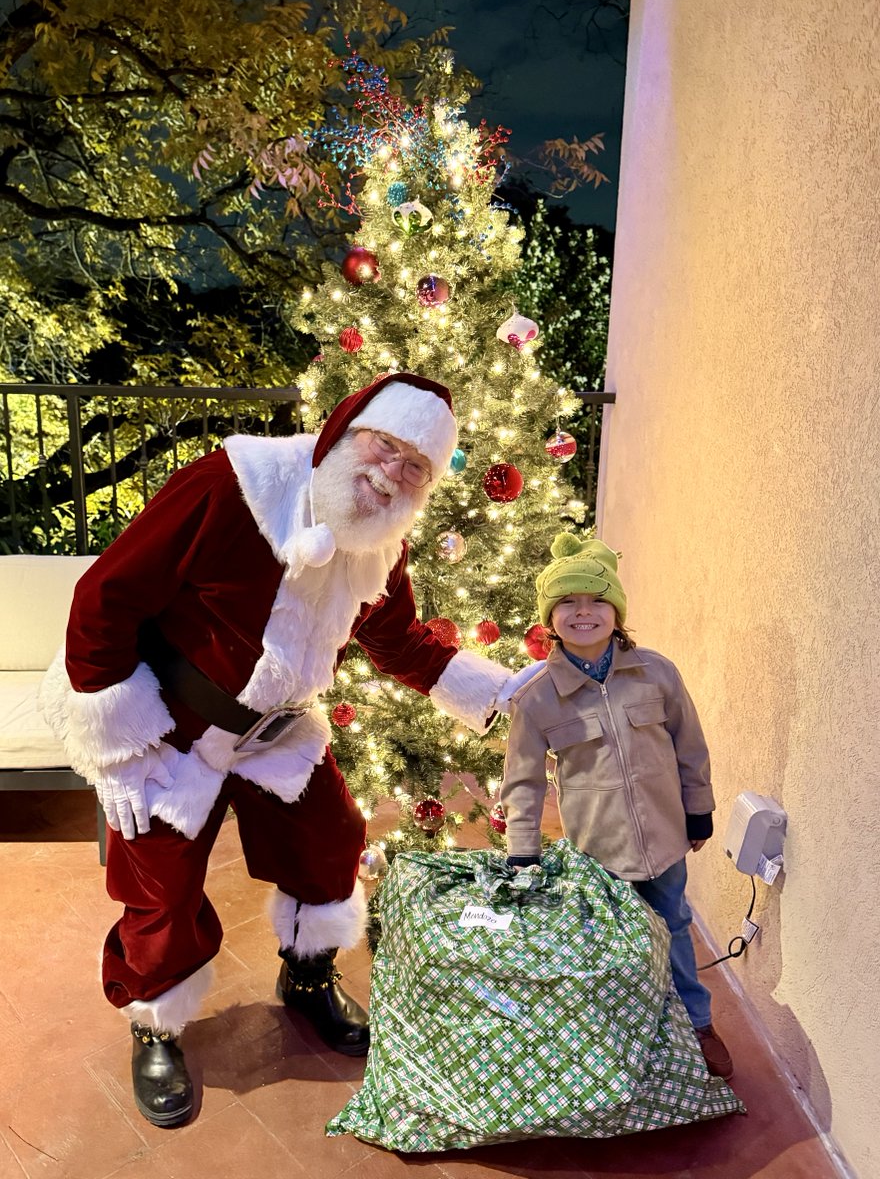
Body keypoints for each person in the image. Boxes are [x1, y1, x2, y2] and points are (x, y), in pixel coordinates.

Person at [42, 372, 536, 1128]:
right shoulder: (229, 485)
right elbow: (105, 597)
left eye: (416, 466)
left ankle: (306, 980)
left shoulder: (381, 543)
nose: (391, 472)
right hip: (167, 725)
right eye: (385, 444)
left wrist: (503, 694)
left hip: (276, 726)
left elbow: (397, 640)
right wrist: (114, 741)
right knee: (160, 888)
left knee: (330, 839)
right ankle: (155, 1022)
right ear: (345, 430)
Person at [499, 532, 734, 1081]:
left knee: (674, 925)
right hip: (598, 852)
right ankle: (623, 1036)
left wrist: (698, 810)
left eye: (596, 600)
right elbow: (524, 782)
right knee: (611, 947)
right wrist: (523, 853)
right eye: (569, 603)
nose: (584, 613)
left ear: (616, 610)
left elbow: (689, 745)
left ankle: (697, 1023)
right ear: (550, 618)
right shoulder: (535, 699)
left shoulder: (657, 672)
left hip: (665, 838)